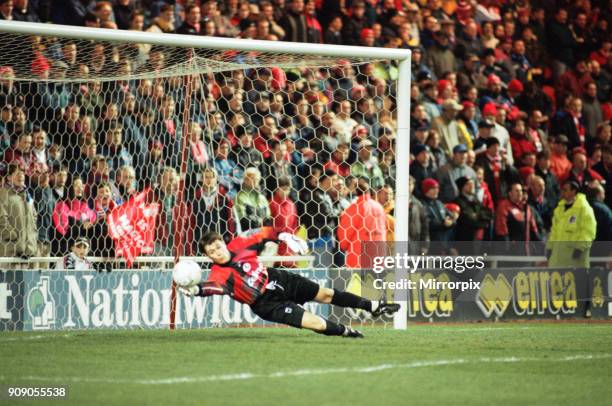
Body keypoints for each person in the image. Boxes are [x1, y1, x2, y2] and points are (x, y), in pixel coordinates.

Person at [180, 227, 400, 338]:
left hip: (277, 278)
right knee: (318, 324)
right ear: (208, 257)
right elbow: (213, 288)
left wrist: (285, 236)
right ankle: (346, 332)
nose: (217, 253)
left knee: (326, 294)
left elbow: (266, 232)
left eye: (217, 247)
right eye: (211, 252)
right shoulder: (218, 274)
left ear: (223, 243)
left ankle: (373, 306)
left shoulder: (241, 243)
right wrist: (196, 289)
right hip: (266, 304)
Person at [546, 181, 597, 268]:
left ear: (573, 191)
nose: (562, 192)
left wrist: (580, 248)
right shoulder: (559, 209)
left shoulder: (584, 209)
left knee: (576, 281)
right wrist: (549, 247)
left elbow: (588, 231)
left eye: (565, 190)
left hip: (575, 260)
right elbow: (554, 231)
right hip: (557, 260)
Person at [0, 163, 38, 267]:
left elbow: (34, 216)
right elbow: (2, 220)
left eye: (22, 173)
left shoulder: (27, 194)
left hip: (29, 252)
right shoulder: (3, 194)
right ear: (8, 177)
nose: (21, 176)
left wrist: (32, 237)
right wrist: (15, 239)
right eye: (17, 173)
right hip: (11, 253)